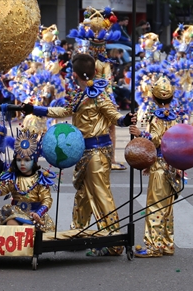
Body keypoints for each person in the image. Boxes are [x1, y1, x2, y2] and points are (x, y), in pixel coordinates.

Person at [23, 53, 135, 256]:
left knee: (101, 195)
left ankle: (114, 241)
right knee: (83, 194)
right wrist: (35, 109)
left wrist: (125, 121)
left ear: (74, 74)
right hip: (83, 152)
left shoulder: (98, 95)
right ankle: (78, 232)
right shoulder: (81, 95)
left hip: (98, 152)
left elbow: (113, 115)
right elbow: (63, 111)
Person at [129, 76, 183, 257]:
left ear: (154, 96)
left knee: (155, 206)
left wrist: (140, 134)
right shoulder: (177, 116)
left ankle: (153, 246)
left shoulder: (158, 117)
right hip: (173, 167)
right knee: (167, 207)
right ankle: (167, 243)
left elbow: (157, 140)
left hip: (160, 167)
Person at [0, 129, 55, 232]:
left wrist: (39, 213)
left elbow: (47, 200)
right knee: (11, 225)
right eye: (19, 160)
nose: (22, 163)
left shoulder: (40, 180)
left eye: (27, 160)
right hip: (16, 213)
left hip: (34, 215)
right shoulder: (13, 178)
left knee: (26, 228)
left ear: (34, 161)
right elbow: (0, 189)